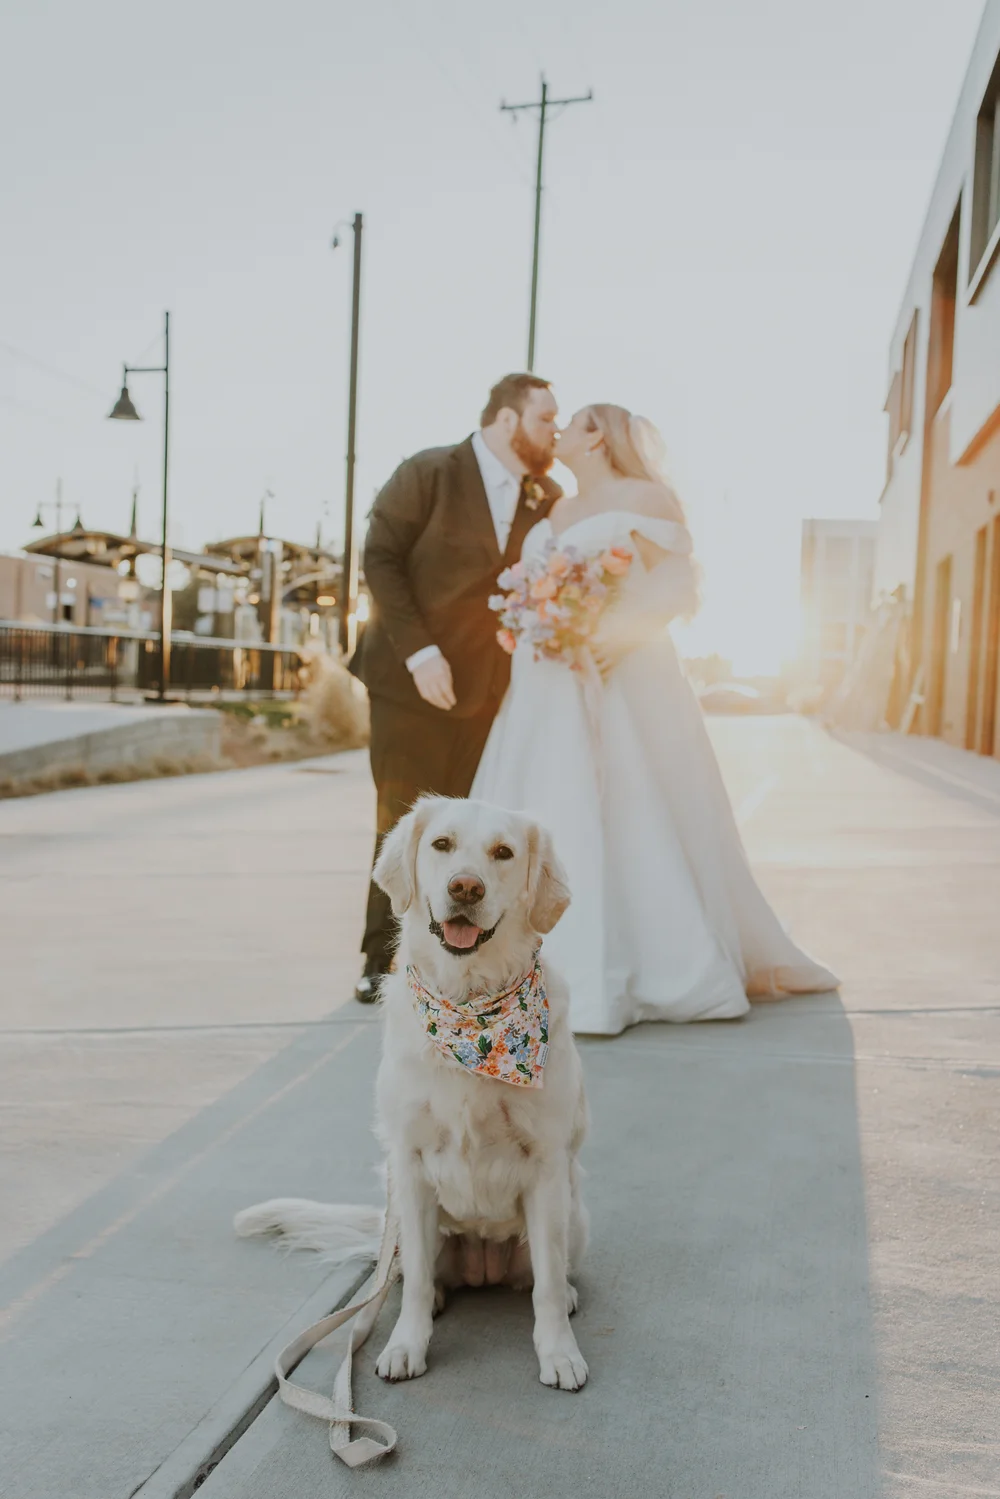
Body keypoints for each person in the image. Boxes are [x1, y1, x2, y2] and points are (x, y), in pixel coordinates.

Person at [472, 403, 838, 1034]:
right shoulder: (556, 510)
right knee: (547, 802)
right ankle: (512, 968)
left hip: (620, 673)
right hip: (545, 682)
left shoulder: (645, 496)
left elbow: (677, 586)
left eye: (575, 420)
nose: (560, 429)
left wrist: (618, 635)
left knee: (628, 805)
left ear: (600, 436)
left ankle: (649, 964)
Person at [349, 373, 561, 1001]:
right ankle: (377, 960)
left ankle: (460, 965)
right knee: (401, 827)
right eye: (546, 418)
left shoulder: (545, 495)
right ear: (506, 420)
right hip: (405, 682)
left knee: (471, 843)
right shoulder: (429, 471)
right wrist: (419, 652)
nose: (554, 431)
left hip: (492, 698)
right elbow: (379, 557)